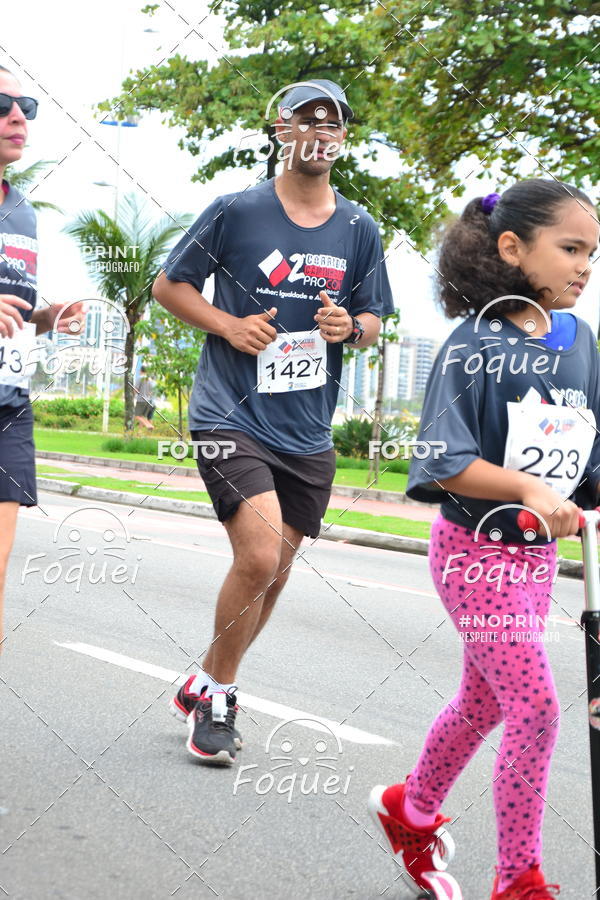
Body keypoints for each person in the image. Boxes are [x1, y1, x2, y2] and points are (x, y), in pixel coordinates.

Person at [368, 178, 600, 898]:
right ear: (511, 248)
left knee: (486, 703)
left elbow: (586, 461)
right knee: (534, 707)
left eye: (593, 253)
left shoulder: (582, 342)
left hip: (536, 561)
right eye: (569, 249)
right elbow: (446, 461)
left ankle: (410, 810)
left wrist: (577, 493)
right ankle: (518, 881)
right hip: (475, 556)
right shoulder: (474, 344)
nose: (584, 267)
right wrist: (529, 491)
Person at [153, 79, 394, 764]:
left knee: (276, 575)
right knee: (256, 557)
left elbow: (375, 317)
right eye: (303, 119)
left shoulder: (359, 228)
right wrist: (228, 325)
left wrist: (353, 327)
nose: (319, 130)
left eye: (333, 121)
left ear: (344, 137)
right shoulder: (236, 210)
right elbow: (170, 286)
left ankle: (204, 680)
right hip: (230, 413)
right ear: (280, 130)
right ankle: (222, 700)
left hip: (308, 430)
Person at [0, 65, 85, 652]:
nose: (16, 117)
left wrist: (46, 317)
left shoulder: (23, 210)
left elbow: (16, 305)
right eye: (1, 103)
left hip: (7, 401)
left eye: (26, 105)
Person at [134, 365, 156, 430]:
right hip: (148, 400)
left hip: (141, 400)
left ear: (141, 370)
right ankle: (140, 433)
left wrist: (133, 395)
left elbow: (135, 389)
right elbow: (152, 391)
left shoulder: (140, 378)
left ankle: (148, 425)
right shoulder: (150, 379)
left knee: (137, 416)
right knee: (142, 416)